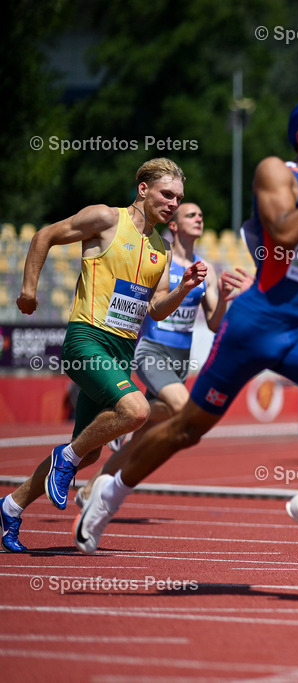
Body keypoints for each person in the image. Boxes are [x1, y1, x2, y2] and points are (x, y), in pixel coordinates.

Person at [73, 95, 298, 566]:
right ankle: (109, 494)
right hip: (253, 325)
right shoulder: (276, 171)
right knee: (186, 428)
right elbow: (284, 232)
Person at [1, 158, 207, 553]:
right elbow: (43, 235)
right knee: (137, 411)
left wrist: (185, 288)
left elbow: (157, 307)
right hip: (86, 340)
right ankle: (65, 457)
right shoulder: (106, 218)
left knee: (90, 449)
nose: (172, 203)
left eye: (178, 198)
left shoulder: (160, 249)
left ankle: (11, 506)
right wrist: (29, 289)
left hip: (121, 348)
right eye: (167, 194)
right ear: (143, 189)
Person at [80, 203, 252, 501]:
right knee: (186, 408)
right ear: (173, 225)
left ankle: (90, 490)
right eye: (191, 215)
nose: (199, 218)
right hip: (152, 350)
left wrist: (223, 300)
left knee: (138, 441)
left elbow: (213, 324)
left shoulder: (205, 269)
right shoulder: (161, 255)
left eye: (201, 214)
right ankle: (124, 418)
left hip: (180, 360)